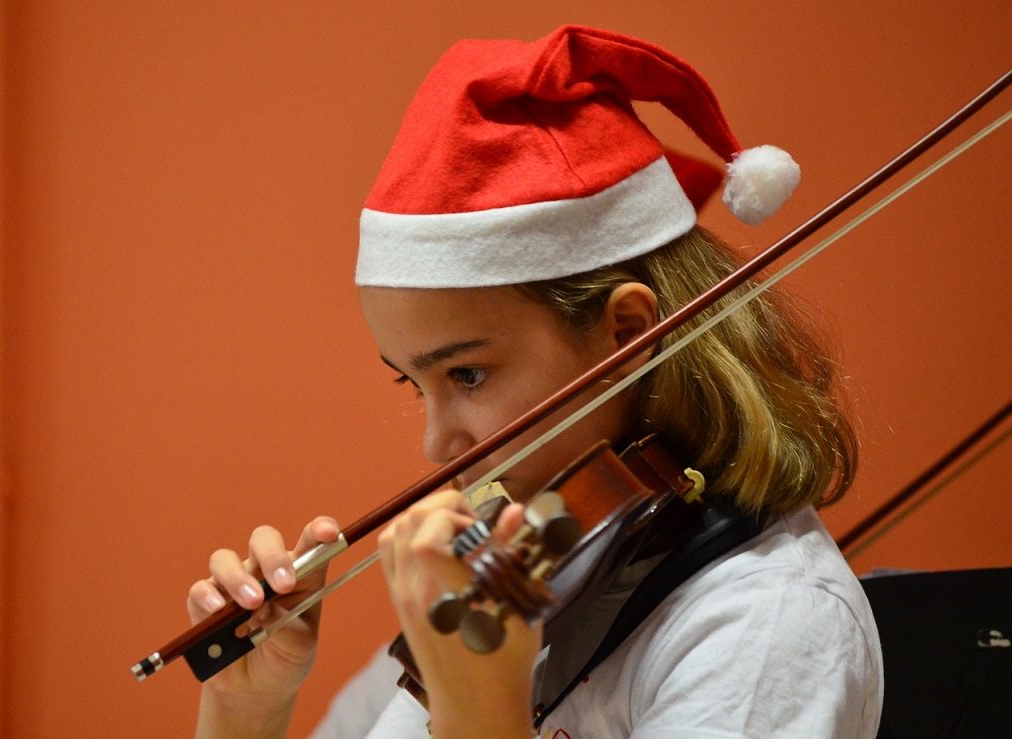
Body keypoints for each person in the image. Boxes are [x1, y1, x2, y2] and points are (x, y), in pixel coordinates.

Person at [189, 25, 883, 738]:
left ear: (627, 334)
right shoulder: (532, 574)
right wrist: (248, 708)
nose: (438, 444)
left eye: (467, 373)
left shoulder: (763, 622)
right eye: (416, 385)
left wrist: (481, 706)